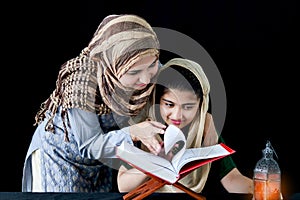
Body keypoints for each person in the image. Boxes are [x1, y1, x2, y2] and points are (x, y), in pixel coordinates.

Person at [22, 14, 167, 193]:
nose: (146, 78)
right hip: (61, 156)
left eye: (152, 65)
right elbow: (90, 145)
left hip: (100, 159)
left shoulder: (143, 59)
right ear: (111, 66)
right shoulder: (81, 83)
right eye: (134, 72)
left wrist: (203, 111)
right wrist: (133, 132)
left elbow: (179, 84)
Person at [117, 58, 253, 196]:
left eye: (188, 107)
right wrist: (154, 162)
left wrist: (260, 189)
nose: (177, 115)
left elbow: (231, 178)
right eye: (169, 104)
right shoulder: (145, 131)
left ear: (201, 105)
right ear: (158, 101)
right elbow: (123, 185)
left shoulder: (204, 131)